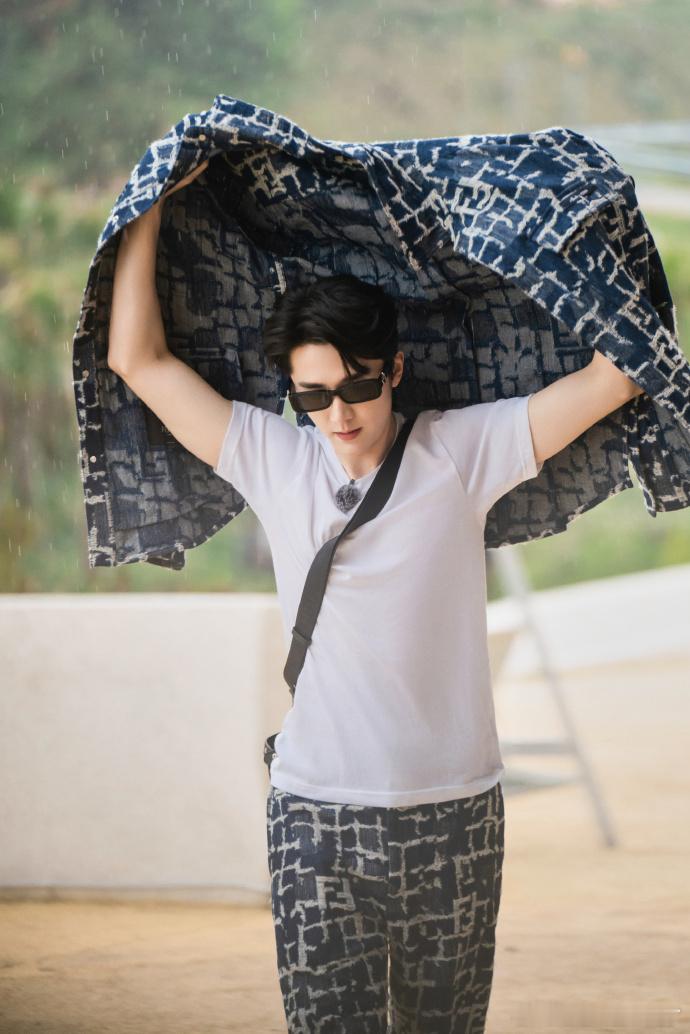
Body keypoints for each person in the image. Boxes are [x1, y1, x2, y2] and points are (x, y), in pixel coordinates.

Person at [107, 160, 644, 1034]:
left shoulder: (460, 452)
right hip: (314, 814)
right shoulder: (273, 459)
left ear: (393, 369)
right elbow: (138, 359)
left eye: (358, 385)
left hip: (455, 812)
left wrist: (567, 228)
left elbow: (616, 377)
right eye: (314, 395)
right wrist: (149, 210)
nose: (340, 414)